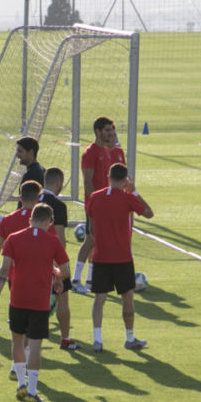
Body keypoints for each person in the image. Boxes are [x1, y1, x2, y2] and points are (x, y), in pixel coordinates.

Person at [0, 204, 71, 402]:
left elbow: (3, 271)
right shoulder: (53, 241)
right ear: (49, 222)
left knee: (17, 343)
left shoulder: (13, 239)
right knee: (36, 346)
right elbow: (65, 271)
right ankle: (32, 390)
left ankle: (21, 382)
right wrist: (54, 273)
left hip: (17, 299)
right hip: (39, 302)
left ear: (30, 219)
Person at [87, 163, 154, 352]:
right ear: (126, 180)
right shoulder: (127, 199)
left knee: (100, 298)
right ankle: (129, 337)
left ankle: (97, 339)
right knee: (127, 298)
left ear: (108, 177)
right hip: (122, 257)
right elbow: (149, 213)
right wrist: (134, 192)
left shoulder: (95, 197)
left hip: (100, 256)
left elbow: (91, 229)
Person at [72, 116, 125, 293]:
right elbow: (88, 182)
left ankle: (89, 281)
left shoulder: (106, 152)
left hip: (105, 205)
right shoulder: (91, 152)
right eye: (107, 130)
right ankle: (75, 280)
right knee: (90, 240)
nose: (111, 134)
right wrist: (96, 204)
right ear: (98, 132)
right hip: (95, 206)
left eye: (112, 130)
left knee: (96, 242)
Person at [40, 167, 79, 350]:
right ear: (58, 183)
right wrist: (60, 268)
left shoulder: (31, 197)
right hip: (51, 260)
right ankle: (65, 339)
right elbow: (60, 239)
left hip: (27, 257)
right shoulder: (58, 205)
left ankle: (30, 340)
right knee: (63, 298)